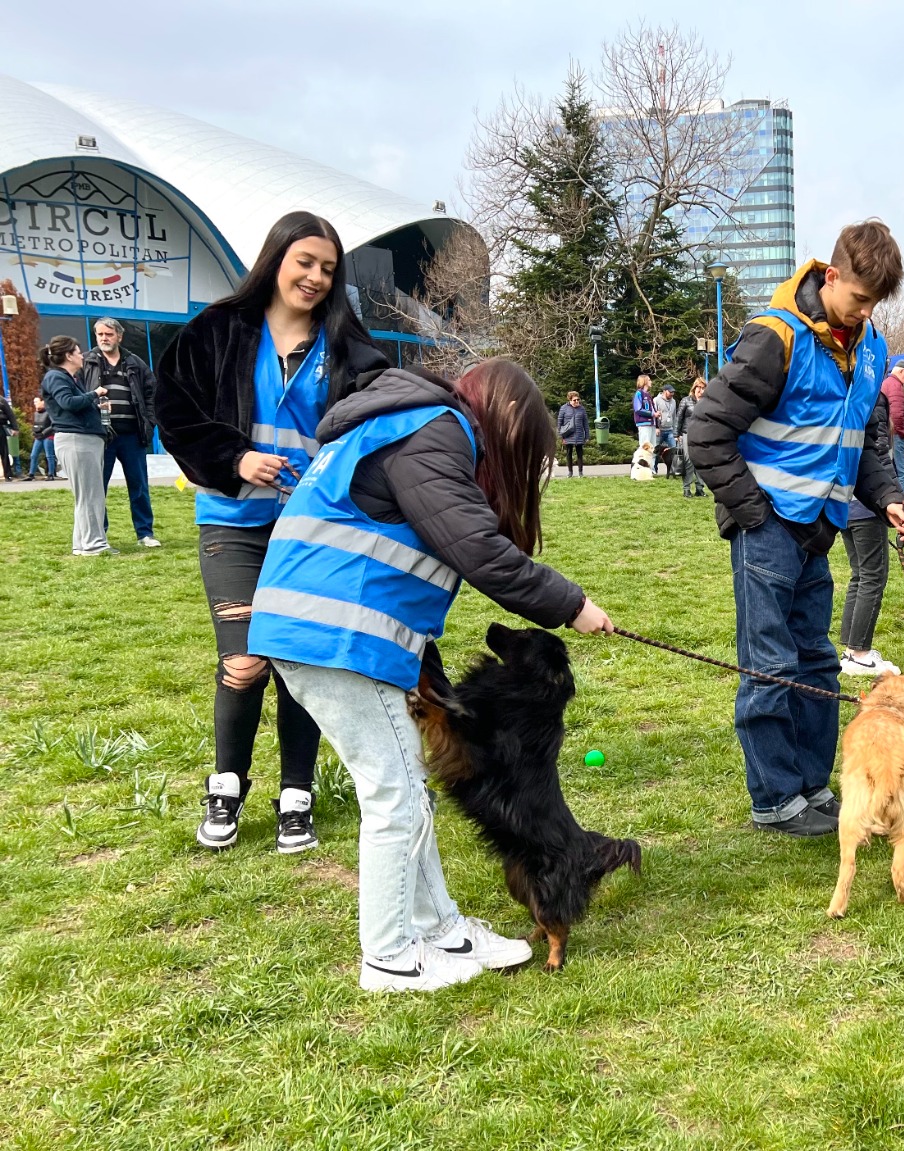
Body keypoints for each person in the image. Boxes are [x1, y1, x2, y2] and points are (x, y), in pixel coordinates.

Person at [248, 358, 614, 992]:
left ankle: (441, 929)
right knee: (395, 798)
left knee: (406, 789)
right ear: (503, 422)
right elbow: (478, 551)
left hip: (343, 632)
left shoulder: (408, 425)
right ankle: (389, 955)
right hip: (332, 634)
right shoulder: (436, 431)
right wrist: (573, 607)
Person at [154, 210, 389, 855]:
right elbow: (174, 410)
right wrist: (235, 458)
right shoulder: (221, 329)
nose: (314, 278)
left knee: (297, 663)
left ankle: (296, 796)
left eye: (327, 270)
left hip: (312, 529)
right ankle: (226, 785)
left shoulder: (346, 342)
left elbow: (384, 409)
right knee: (245, 661)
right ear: (276, 259)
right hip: (231, 522)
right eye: (304, 262)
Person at [687, 219, 904, 837]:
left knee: (815, 662)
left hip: (821, 529)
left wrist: (888, 497)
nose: (865, 312)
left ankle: (813, 788)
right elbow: (705, 433)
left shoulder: (872, 347)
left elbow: (864, 440)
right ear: (831, 274)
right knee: (769, 664)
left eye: (876, 303)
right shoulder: (774, 337)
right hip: (768, 529)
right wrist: (755, 514)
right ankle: (774, 798)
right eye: (859, 297)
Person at [83, 318, 161, 547]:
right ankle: (100, 535)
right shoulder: (88, 361)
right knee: (98, 487)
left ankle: (145, 533)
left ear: (119, 336)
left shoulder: (135, 362)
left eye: (108, 334)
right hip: (100, 436)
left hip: (132, 435)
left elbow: (152, 393)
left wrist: (150, 421)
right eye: (100, 335)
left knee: (139, 486)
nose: (104, 338)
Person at [839, 392, 901, 677]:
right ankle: (860, 654)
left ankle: (852, 650)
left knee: (860, 575)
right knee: (873, 577)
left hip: (844, 502)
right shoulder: (872, 398)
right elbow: (878, 456)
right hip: (866, 505)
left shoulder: (847, 392)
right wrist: (895, 498)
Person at [40, 335, 114, 555]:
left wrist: (99, 408)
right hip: (76, 440)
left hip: (84, 439)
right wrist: (94, 393)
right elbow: (68, 403)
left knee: (87, 495)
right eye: (78, 351)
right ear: (68, 355)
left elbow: (76, 404)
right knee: (90, 495)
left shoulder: (70, 378)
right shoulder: (56, 377)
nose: (82, 355)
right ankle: (95, 545)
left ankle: (82, 544)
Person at [882, 359, 904, 492]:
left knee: (891, 470)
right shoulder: (896, 386)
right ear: (901, 371)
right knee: (903, 472)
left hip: (887, 432)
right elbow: (897, 414)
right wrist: (902, 434)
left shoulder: (886, 383)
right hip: (895, 433)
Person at [675, 378, 707, 497]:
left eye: (703, 388)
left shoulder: (707, 402)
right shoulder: (686, 400)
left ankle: (700, 488)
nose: (701, 390)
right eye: (699, 387)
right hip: (687, 434)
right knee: (688, 462)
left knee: (701, 462)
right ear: (694, 388)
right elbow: (679, 418)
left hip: (702, 435)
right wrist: (676, 434)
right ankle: (686, 489)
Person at [557, 391, 589, 477]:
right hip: (568, 434)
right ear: (570, 400)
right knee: (569, 453)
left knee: (580, 454)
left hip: (579, 434)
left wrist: (587, 436)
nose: (577, 401)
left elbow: (585, 423)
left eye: (578, 399)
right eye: (575, 400)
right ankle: (570, 472)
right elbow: (560, 422)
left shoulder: (582, 409)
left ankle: (580, 473)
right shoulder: (564, 408)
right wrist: (561, 436)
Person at [26, 395, 57, 480]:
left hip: (48, 436)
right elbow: (36, 424)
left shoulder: (49, 411)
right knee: (33, 455)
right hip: (38, 436)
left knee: (49, 455)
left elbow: (53, 424)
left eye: (36, 402)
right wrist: (35, 431)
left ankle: (51, 474)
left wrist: (44, 432)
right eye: (34, 402)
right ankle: (31, 474)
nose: (35, 404)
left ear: (42, 402)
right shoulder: (36, 413)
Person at [653, 383, 679, 475]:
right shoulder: (656, 400)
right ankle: (654, 470)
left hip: (670, 429)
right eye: (670, 392)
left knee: (674, 450)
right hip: (660, 430)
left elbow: (674, 416)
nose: (672, 394)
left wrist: (676, 432)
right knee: (656, 452)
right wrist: (656, 427)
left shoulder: (674, 401)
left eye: (673, 392)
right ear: (664, 391)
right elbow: (654, 414)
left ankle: (674, 470)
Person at [632, 374, 655, 450]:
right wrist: (652, 414)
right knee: (645, 447)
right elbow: (638, 409)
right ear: (644, 382)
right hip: (644, 424)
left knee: (652, 448)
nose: (651, 382)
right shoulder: (639, 393)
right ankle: (641, 461)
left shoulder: (648, 394)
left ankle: (650, 462)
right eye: (649, 380)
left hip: (652, 424)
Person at [1, 399, 16, 480]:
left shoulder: (1, 401)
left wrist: (15, 428)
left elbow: (10, 415)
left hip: (0, 428)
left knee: (4, 452)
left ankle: (8, 475)